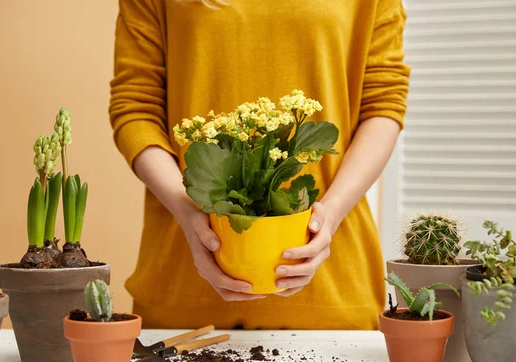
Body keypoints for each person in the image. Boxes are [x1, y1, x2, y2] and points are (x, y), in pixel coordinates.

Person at [109, 0, 410, 330]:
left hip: (333, 298)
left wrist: (330, 215)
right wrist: (188, 213)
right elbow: (136, 108)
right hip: (182, 300)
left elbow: (382, 105)